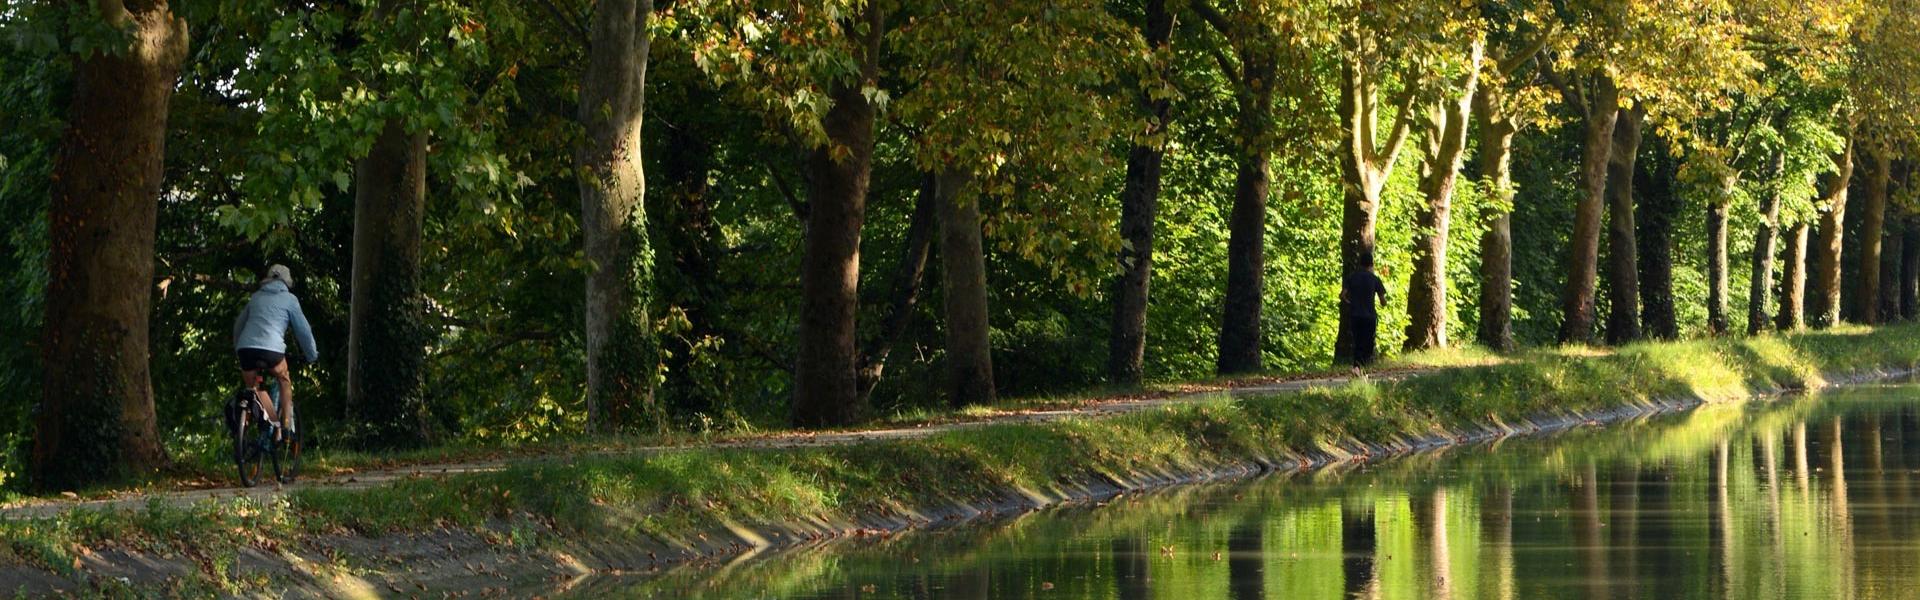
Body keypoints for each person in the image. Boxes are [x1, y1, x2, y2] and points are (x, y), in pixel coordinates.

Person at [233, 264, 319, 440]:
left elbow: (238, 325)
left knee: (253, 389)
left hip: (246, 350)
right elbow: (303, 331)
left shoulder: (255, 297)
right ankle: (286, 428)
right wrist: (311, 355)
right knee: (284, 380)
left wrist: (238, 348)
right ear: (287, 282)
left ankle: (255, 426)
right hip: (272, 351)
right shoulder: (290, 300)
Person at [1341, 253, 1389, 374]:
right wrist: (1384, 302)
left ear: (1360, 263)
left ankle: (1356, 367)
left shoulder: (1351, 277)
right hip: (1369, 316)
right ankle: (1364, 367)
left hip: (1355, 315)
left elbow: (1343, 295)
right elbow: (1383, 301)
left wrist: (1349, 302)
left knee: (1357, 342)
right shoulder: (1375, 279)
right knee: (1368, 342)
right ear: (1371, 264)